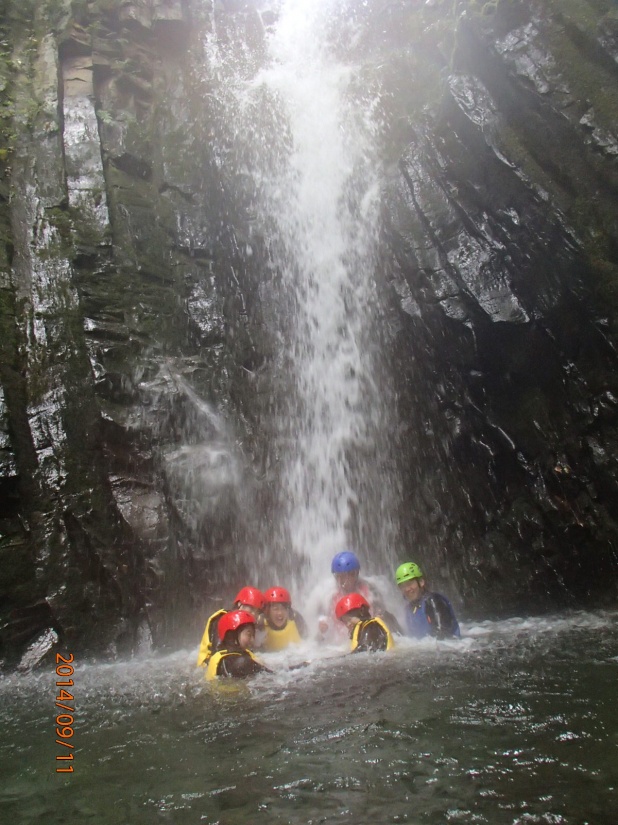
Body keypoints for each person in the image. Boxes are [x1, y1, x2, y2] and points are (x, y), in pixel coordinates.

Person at [318, 551, 402, 641]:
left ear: (357, 574)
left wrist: (379, 617)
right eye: (341, 576)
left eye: (350, 575)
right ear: (336, 577)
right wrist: (322, 630)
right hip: (342, 642)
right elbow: (324, 623)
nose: (346, 580)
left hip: (368, 636)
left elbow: (381, 613)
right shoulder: (331, 596)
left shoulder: (370, 590)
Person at [197, 586, 265, 667]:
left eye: (257, 612)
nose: (254, 614)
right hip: (208, 666)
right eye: (251, 609)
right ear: (240, 604)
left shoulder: (247, 625)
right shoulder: (223, 618)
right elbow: (218, 651)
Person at [395, 562, 460, 640]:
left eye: (410, 584)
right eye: (402, 586)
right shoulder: (408, 609)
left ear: (421, 582)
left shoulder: (435, 601)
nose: (407, 589)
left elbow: (444, 634)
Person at [205, 610, 271, 680]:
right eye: (249, 634)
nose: (252, 640)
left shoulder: (222, 656)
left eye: (253, 635)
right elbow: (271, 676)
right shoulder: (240, 662)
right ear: (232, 635)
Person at [261, 587, 308, 652]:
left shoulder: (296, 619)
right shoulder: (261, 624)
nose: (280, 613)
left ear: (288, 610)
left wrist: (321, 633)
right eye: (275, 609)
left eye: (283, 608)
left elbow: (310, 641)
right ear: (268, 611)